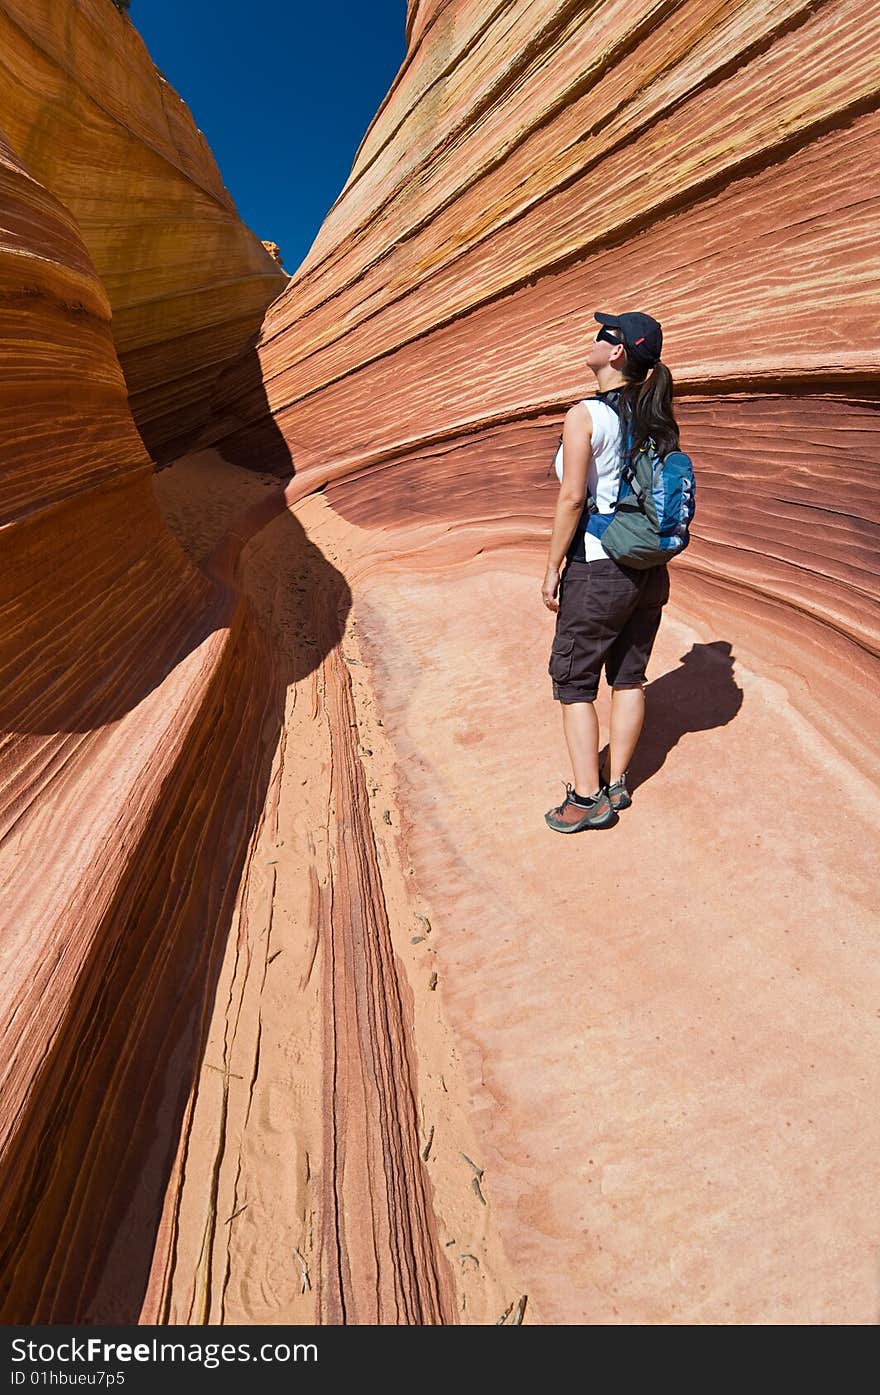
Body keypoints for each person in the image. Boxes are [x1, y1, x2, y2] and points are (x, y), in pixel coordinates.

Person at [542, 310, 680, 833]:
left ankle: (585, 799)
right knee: (628, 676)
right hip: (648, 568)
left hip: (598, 567)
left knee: (574, 682)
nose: (594, 340)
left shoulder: (585, 415)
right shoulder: (657, 417)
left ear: (616, 351)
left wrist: (553, 566)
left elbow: (573, 496)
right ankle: (617, 782)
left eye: (603, 334)